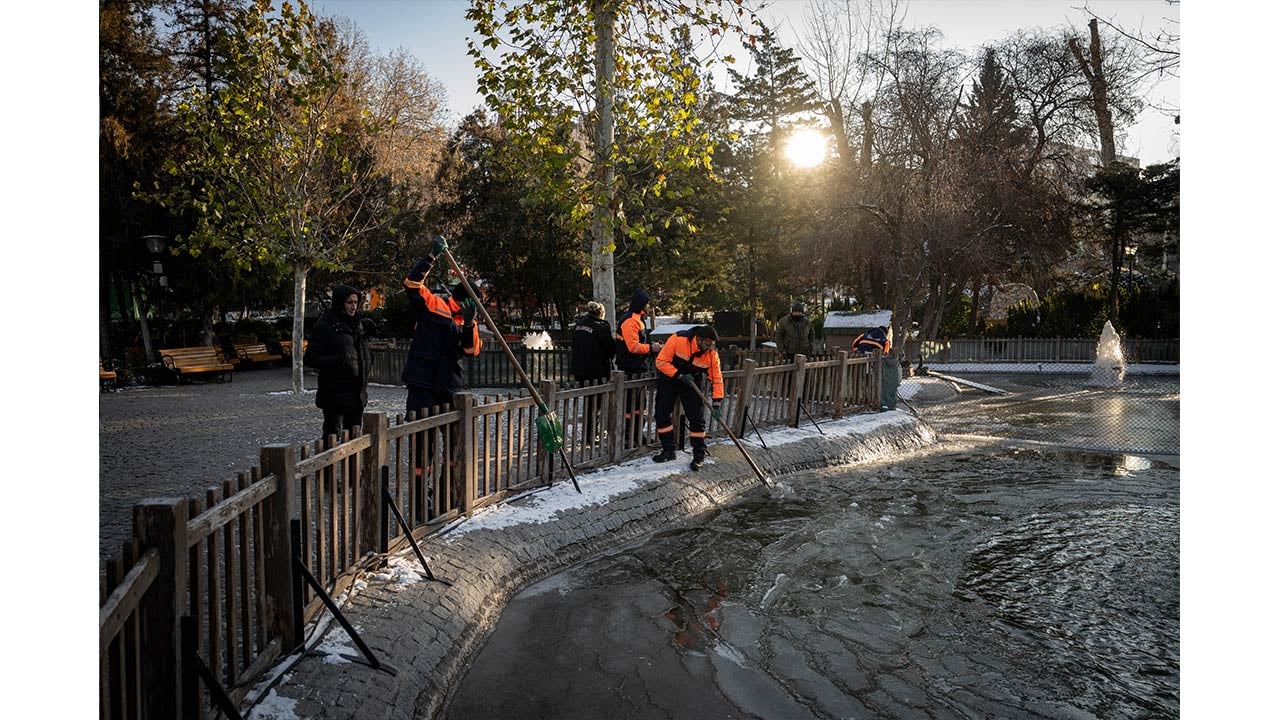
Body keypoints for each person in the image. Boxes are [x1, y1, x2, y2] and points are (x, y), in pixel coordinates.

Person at [401, 236, 483, 417]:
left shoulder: (470, 321)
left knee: (455, 440)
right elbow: (412, 284)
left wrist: (469, 325)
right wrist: (431, 257)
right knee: (421, 437)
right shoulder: (434, 305)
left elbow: (471, 351)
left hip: (449, 385)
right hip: (423, 382)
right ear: (466, 300)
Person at [304, 284, 371, 441]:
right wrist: (339, 361)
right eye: (349, 302)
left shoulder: (356, 323)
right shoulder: (325, 325)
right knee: (332, 436)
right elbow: (310, 358)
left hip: (356, 392)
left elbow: (360, 350)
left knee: (354, 437)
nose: (353, 306)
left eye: (355, 302)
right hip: (334, 393)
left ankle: (352, 466)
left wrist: (367, 361)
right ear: (340, 302)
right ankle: (329, 466)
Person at [652, 325, 723, 471]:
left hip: (692, 381)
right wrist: (679, 375)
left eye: (712, 345)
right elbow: (661, 361)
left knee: (696, 417)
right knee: (662, 413)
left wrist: (717, 401)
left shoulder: (711, 354)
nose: (709, 348)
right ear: (699, 339)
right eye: (707, 344)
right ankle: (668, 450)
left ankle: (699, 456)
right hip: (670, 377)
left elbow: (716, 378)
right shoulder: (678, 339)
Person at [615, 288, 662, 445]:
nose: (648, 307)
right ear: (642, 304)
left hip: (637, 368)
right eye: (647, 304)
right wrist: (651, 347)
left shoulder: (637, 319)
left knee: (639, 406)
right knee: (630, 406)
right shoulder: (630, 320)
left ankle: (636, 434)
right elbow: (633, 347)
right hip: (629, 369)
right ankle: (628, 436)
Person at [571, 300, 616, 440]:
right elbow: (611, 348)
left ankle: (589, 432)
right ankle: (591, 434)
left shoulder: (578, 325)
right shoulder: (601, 326)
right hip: (596, 371)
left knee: (589, 402)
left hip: (580, 370)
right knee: (595, 404)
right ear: (601, 313)